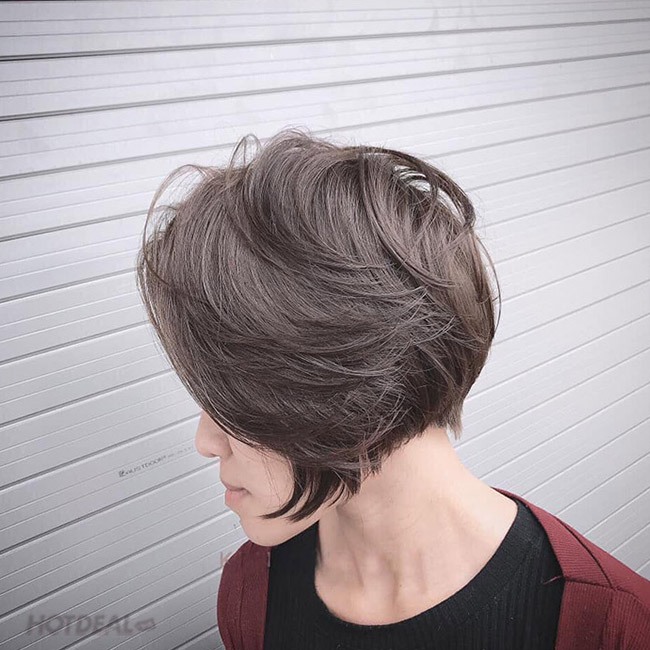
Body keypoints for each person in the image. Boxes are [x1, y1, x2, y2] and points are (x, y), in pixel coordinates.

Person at [136, 128, 650, 649]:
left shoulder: (613, 627)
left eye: (234, 399)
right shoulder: (251, 593)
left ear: (354, 387)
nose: (206, 441)